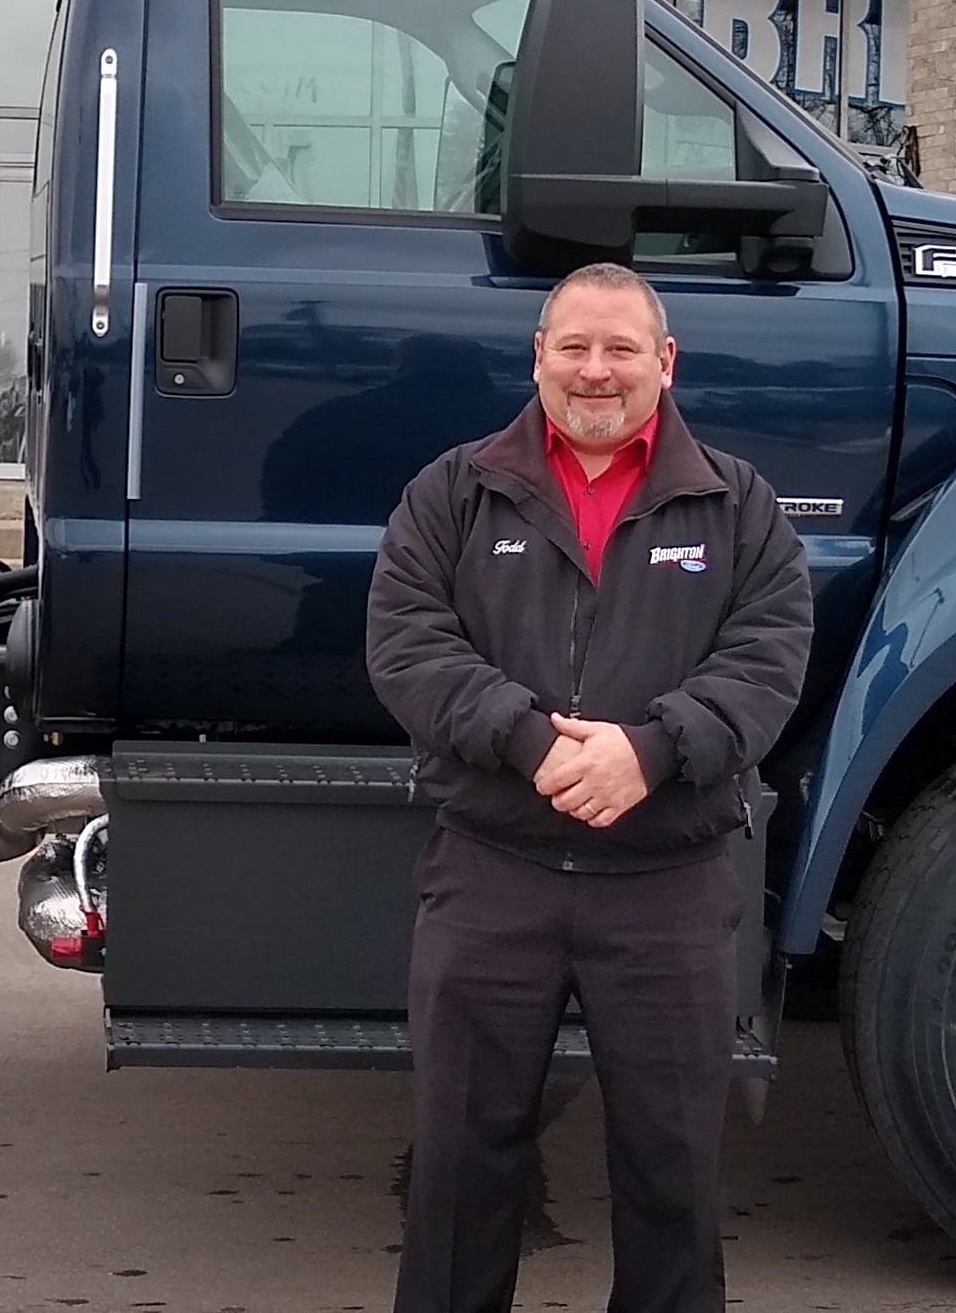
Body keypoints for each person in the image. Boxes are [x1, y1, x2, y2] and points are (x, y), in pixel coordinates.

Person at [366, 262, 814, 1313]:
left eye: (620, 348)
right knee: (460, 1170)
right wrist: (529, 740)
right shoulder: (456, 491)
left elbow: (768, 660)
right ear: (538, 358)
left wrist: (649, 752)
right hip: (492, 875)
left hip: (667, 884)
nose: (595, 370)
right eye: (573, 346)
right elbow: (406, 643)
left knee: (671, 1173)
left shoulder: (739, 505)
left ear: (664, 362)